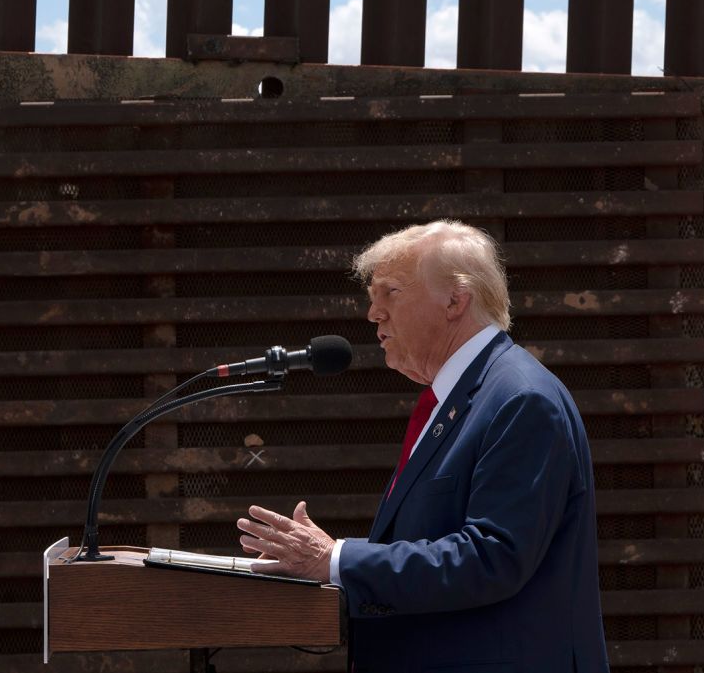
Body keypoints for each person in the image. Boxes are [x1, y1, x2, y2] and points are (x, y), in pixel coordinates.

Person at [237, 220, 609, 672]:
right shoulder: (458, 397)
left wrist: (334, 558)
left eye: (390, 292)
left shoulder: (520, 399)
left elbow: (492, 558)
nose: (373, 314)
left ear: (456, 299)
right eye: (372, 298)